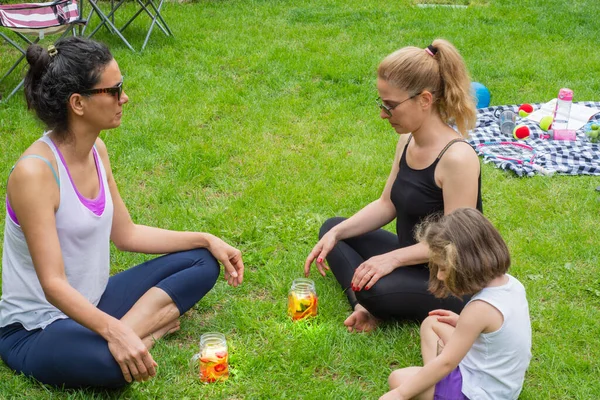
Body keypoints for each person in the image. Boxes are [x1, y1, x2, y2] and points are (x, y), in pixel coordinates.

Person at [0, 37, 245, 389]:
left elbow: (126, 234)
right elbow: (52, 285)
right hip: (36, 328)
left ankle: (129, 335)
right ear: (78, 103)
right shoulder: (34, 174)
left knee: (203, 260)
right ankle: (144, 332)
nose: (124, 98)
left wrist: (207, 238)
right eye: (114, 90)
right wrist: (116, 331)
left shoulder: (97, 149)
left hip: (94, 302)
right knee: (114, 370)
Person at [304, 39, 482, 332]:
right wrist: (338, 232)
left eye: (390, 106)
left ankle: (367, 302)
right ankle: (366, 306)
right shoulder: (407, 140)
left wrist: (392, 259)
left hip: (450, 281)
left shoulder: (457, 158)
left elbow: (455, 244)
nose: (383, 114)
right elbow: (387, 204)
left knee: (371, 288)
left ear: (424, 100)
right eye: (382, 104)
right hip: (412, 257)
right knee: (333, 230)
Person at [379, 208, 532, 400]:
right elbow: (501, 331)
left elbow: (446, 363)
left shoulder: (479, 309)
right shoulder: (513, 284)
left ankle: (437, 389)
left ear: (466, 265)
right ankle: (436, 385)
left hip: (479, 394)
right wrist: (462, 323)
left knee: (398, 378)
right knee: (432, 323)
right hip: (502, 383)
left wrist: (400, 394)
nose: (440, 276)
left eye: (443, 268)